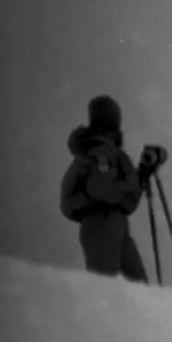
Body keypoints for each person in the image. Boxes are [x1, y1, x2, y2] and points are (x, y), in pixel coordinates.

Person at [59, 95, 152, 283]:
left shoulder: (109, 152)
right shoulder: (100, 150)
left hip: (111, 223)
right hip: (101, 222)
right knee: (111, 287)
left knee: (133, 289)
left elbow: (122, 200)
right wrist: (132, 182)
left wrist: (142, 172)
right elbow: (103, 191)